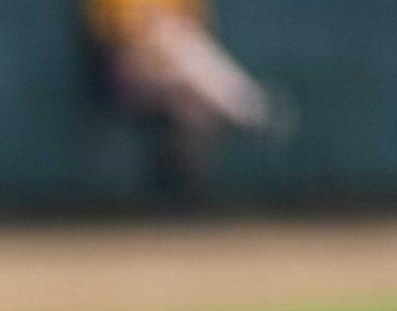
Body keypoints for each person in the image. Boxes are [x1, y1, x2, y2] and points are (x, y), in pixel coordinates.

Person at [84, 0, 282, 193]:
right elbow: (113, 36)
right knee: (176, 41)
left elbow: (199, 27)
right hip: (128, 71)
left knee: (197, 111)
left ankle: (178, 195)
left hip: (175, 74)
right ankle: (247, 106)